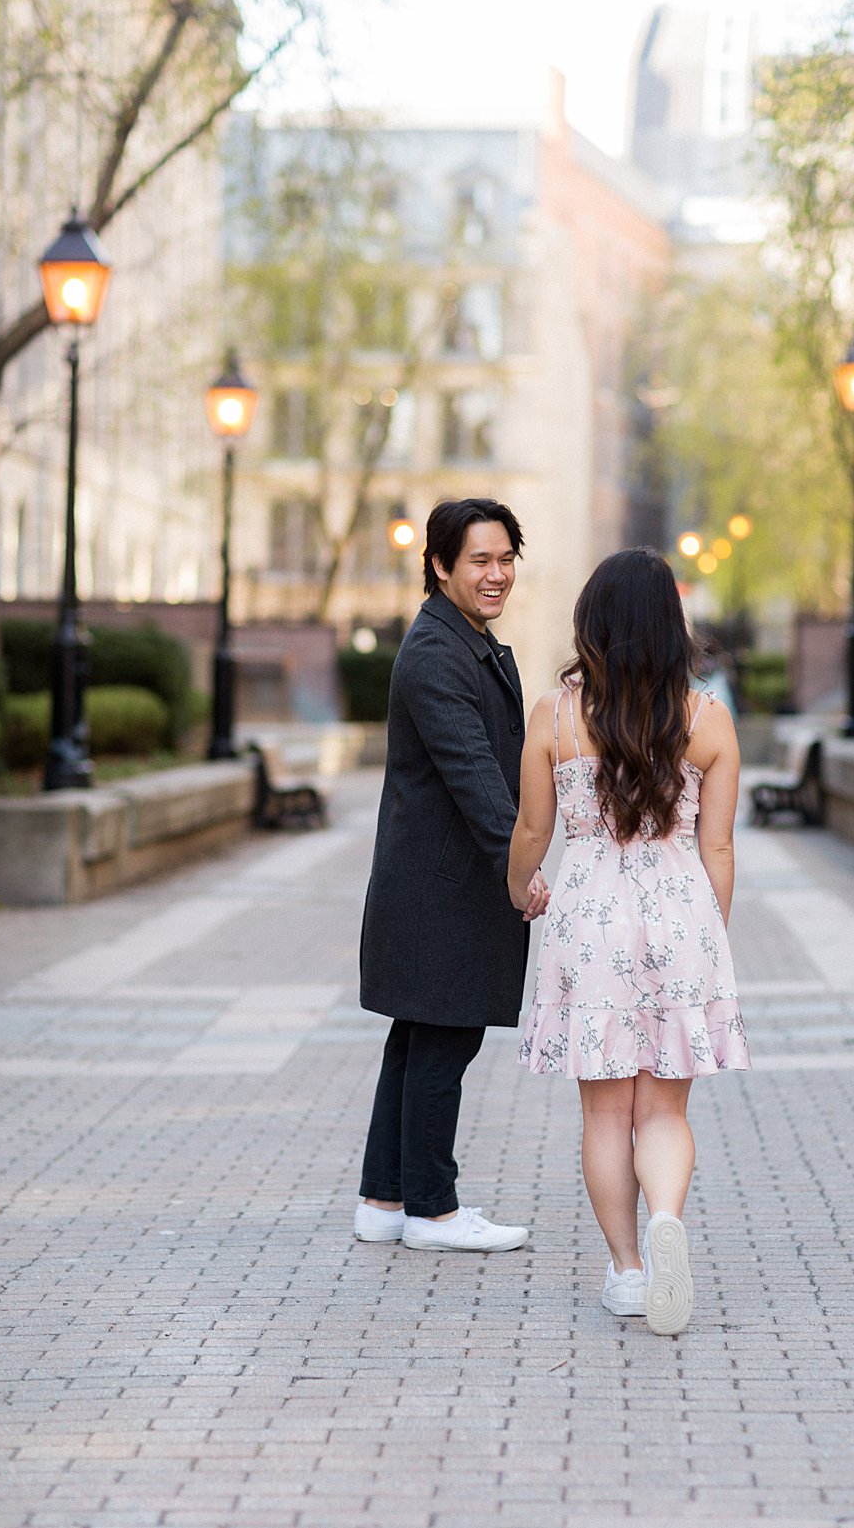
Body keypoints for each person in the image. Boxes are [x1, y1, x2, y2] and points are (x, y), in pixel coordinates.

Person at [508, 548, 747, 1335]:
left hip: (590, 918)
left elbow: (534, 829)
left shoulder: (555, 714)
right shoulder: (707, 719)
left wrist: (521, 888)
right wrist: (709, 935)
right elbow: (717, 849)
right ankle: (667, 1217)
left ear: (594, 621)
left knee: (606, 1113)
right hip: (680, 913)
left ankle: (627, 1270)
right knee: (666, 1109)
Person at [356, 498, 545, 1254]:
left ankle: (384, 1196)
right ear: (439, 564)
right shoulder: (438, 651)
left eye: (505, 559)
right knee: (443, 1038)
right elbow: (474, 772)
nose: (496, 574)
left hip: (438, 883)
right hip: (442, 889)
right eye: (480, 560)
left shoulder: (467, 640)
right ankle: (432, 1210)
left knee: (418, 1035)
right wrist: (521, 866)